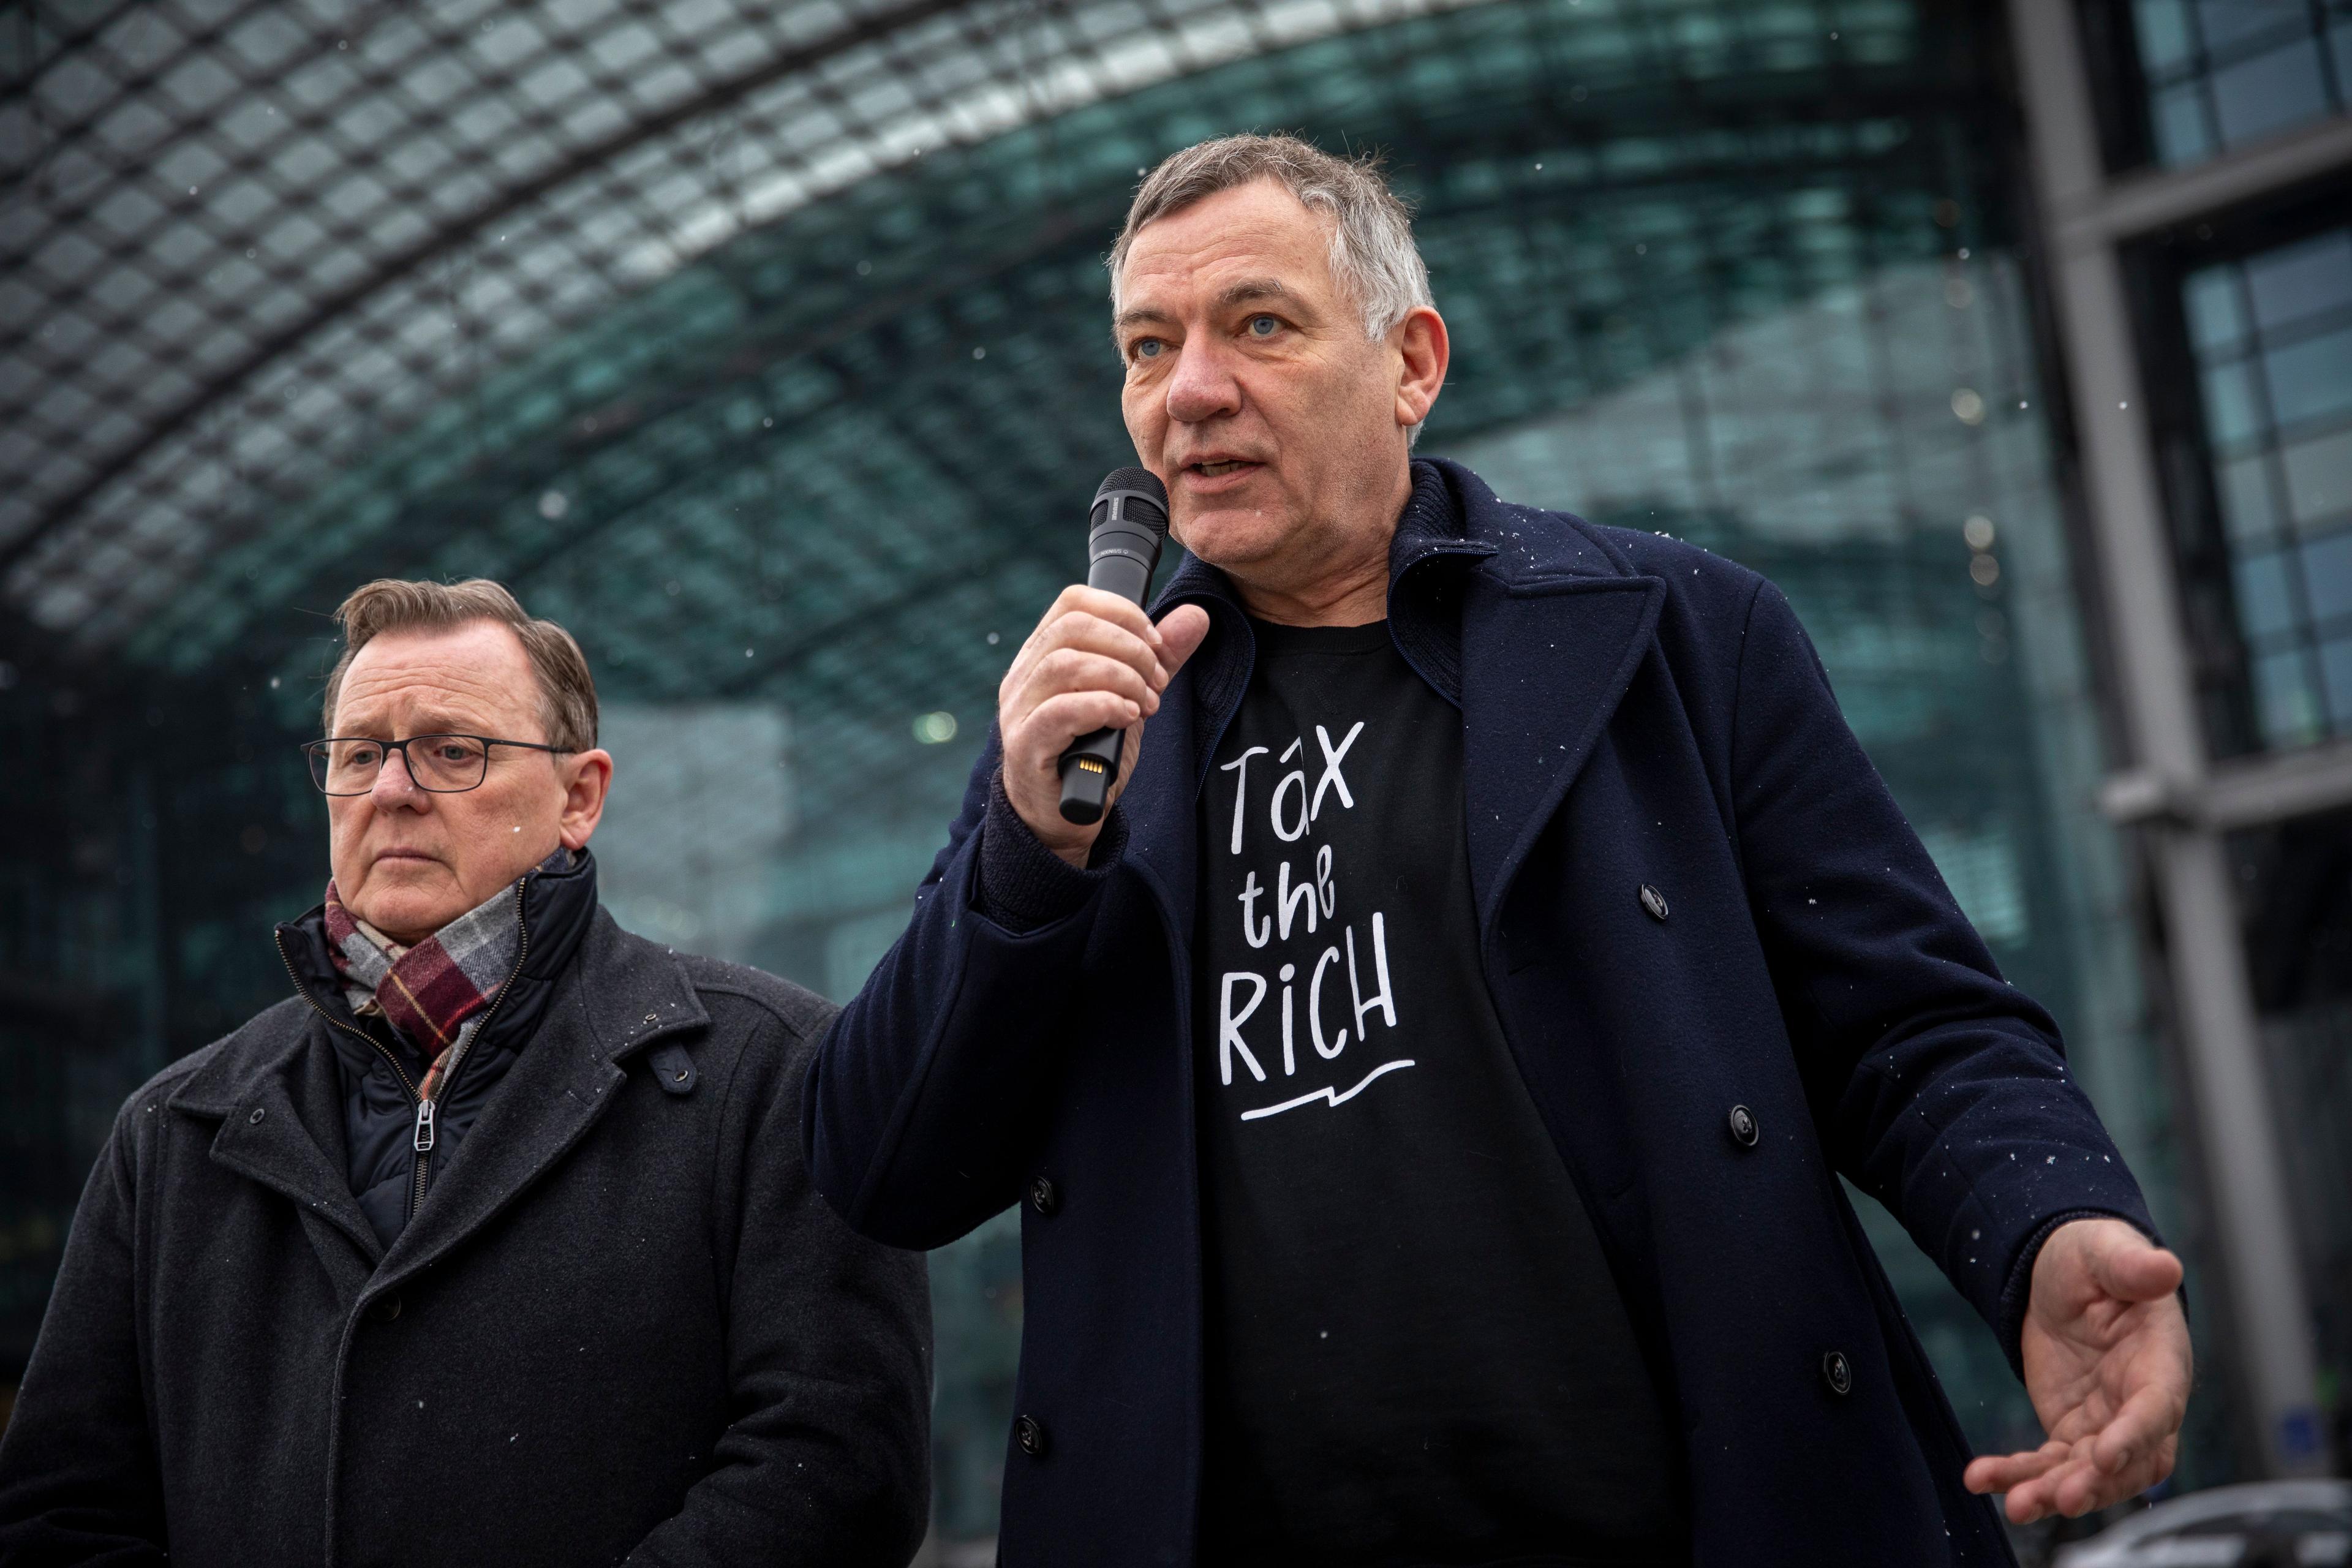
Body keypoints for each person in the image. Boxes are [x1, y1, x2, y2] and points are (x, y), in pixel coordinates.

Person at [805, 135, 2192, 1566]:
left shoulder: (1671, 633)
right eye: (1147, 347)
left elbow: (1910, 1026)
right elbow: (885, 1162)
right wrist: (1028, 855)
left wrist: (2043, 1217)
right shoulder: (1088, 742)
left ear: (1412, 363)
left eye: (1259, 325)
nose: (1191, 391)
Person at [0, 579, 930, 1567]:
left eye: (454, 751)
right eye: (359, 755)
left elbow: (838, 1468)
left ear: (580, 797)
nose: (392, 791)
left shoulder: (773, 1072)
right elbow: (61, 1514)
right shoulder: (176, 1130)